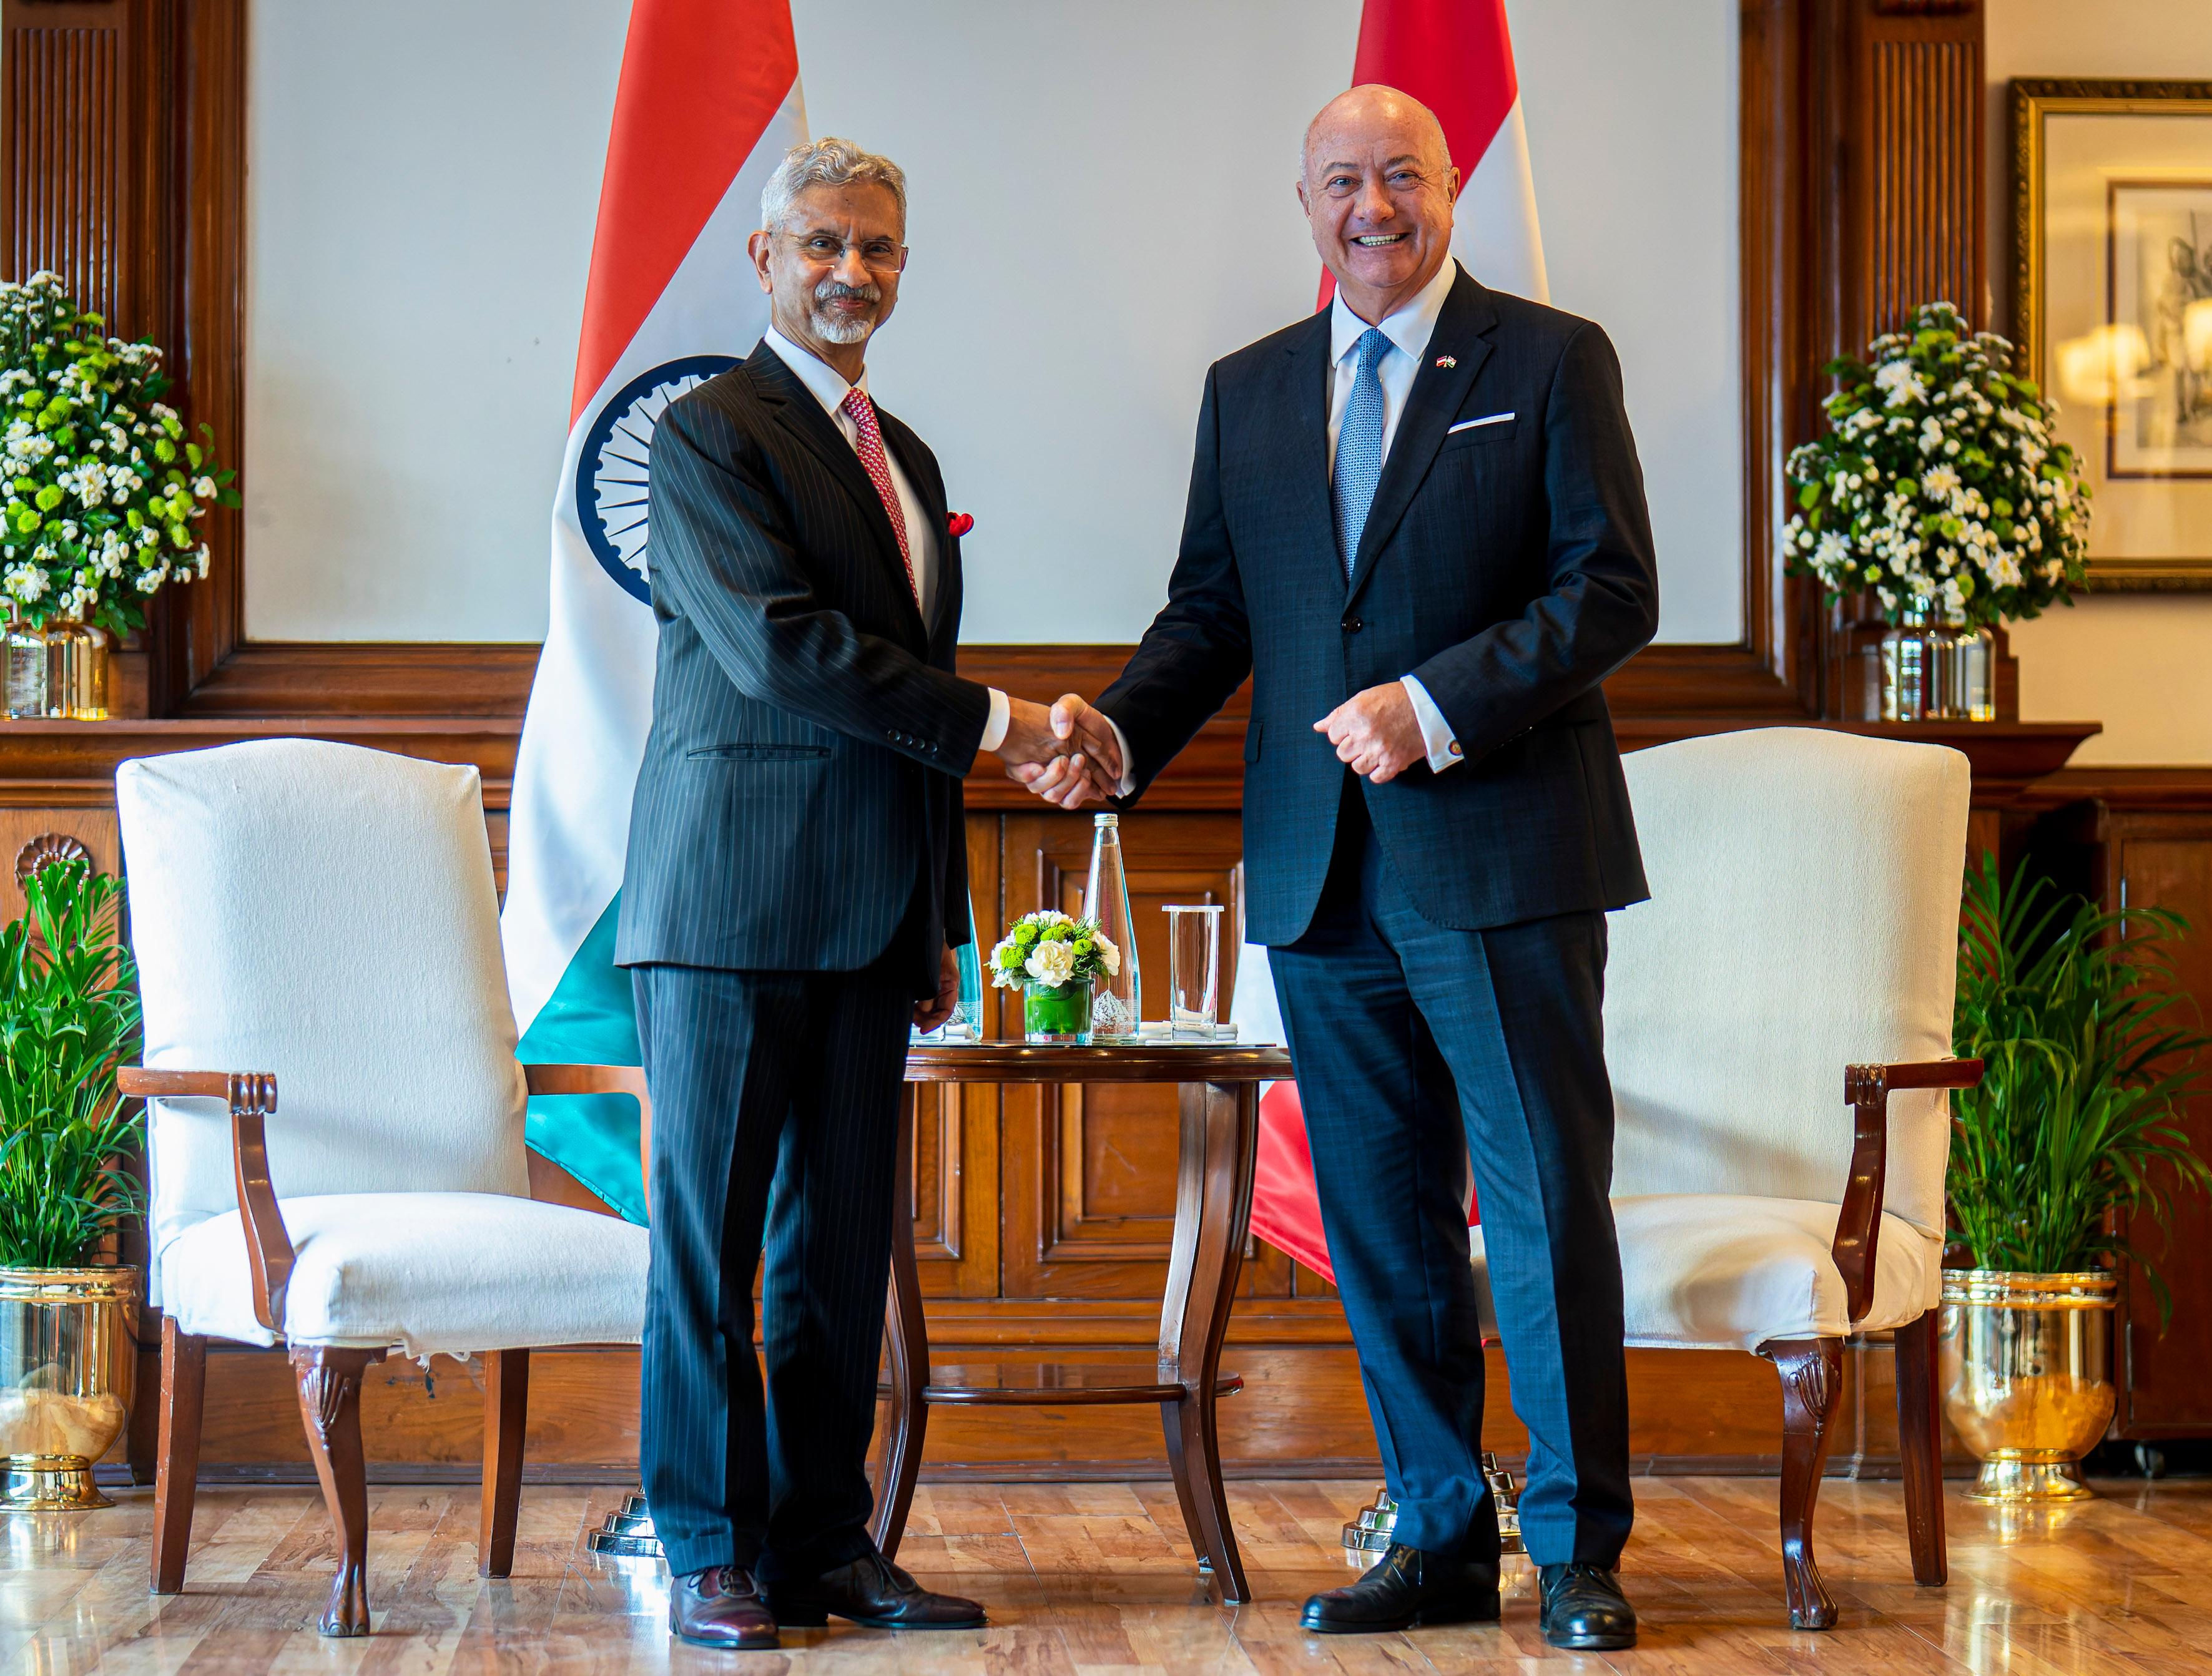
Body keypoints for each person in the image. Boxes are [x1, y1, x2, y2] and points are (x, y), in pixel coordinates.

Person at [1021, 86, 1658, 1652]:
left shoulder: (1548, 360)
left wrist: (1432, 706)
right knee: (1378, 1222)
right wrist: (1112, 735)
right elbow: (1210, 615)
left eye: (1399, 176)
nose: (1370, 207)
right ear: (1301, 205)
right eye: (1339, 183)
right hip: (1316, 873)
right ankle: (1438, 1533)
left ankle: (1575, 1549)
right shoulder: (1247, 390)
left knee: (1535, 1207)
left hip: (1500, 853)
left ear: (1449, 189)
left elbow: (1610, 590)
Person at [619, 136, 1070, 1653]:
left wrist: (934, 911)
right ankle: (704, 1546)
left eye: (877, 249)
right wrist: (1007, 726)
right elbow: (784, 654)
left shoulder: (911, 459)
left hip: (874, 916)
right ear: (764, 259)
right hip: (729, 904)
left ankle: (823, 1542)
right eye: (821, 244)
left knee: (836, 1253)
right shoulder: (706, 434)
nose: (849, 272)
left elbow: (906, 692)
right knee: (711, 1242)